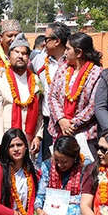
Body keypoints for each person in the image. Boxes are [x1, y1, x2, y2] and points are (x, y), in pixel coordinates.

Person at [48, 32, 103, 156]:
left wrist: (72, 125)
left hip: (84, 134)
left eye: (68, 49)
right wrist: (62, 120)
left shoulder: (97, 73)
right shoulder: (63, 68)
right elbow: (52, 96)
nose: (65, 52)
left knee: (84, 172)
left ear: (78, 53)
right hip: (59, 130)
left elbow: (93, 105)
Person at [0, 34, 42, 154]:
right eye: (16, 52)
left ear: (28, 57)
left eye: (24, 53)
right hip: (7, 141)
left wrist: (38, 136)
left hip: (29, 141)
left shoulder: (36, 80)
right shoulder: (0, 79)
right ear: (9, 56)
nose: (20, 56)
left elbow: (39, 112)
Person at [33, 22, 70, 160]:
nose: (43, 43)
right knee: (49, 164)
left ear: (57, 41)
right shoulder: (39, 60)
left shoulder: (73, 60)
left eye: (46, 39)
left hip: (69, 124)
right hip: (49, 123)